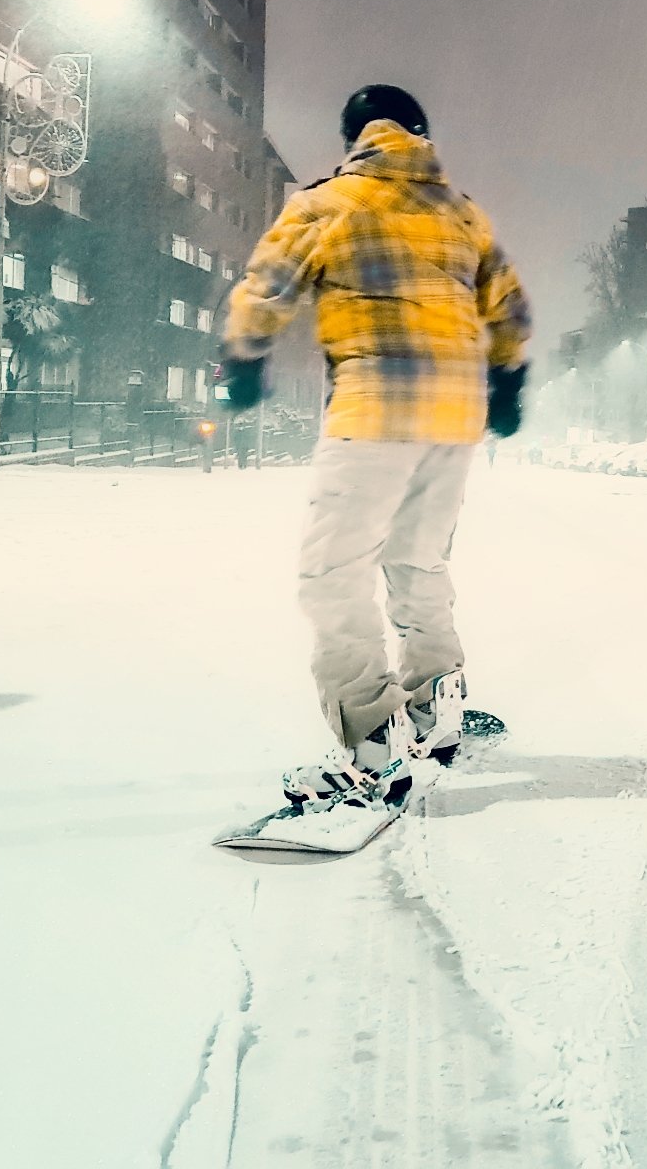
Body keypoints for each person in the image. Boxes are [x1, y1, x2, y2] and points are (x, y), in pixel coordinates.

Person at [217, 84, 531, 805]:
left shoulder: (331, 201)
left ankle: (375, 743)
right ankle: (438, 707)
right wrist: (509, 378)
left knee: (331, 577)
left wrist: (243, 360)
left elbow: (267, 288)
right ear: (419, 135)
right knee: (419, 561)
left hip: (376, 408)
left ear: (355, 137)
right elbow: (507, 302)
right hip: (456, 419)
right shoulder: (461, 211)